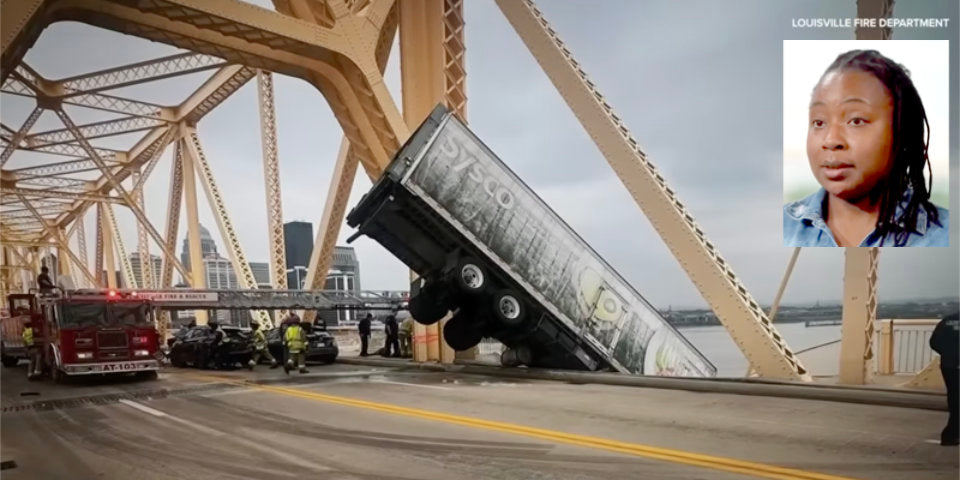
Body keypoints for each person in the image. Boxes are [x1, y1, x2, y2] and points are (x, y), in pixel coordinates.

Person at [783, 49, 948, 247]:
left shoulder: (943, 236)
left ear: (902, 132)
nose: (831, 140)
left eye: (856, 120)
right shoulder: (784, 228)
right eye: (819, 122)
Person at [930, 311, 959, 446]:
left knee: (954, 398)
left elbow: (934, 342)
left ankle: (952, 434)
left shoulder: (947, 320)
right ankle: (951, 434)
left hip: (948, 365)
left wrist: (948, 354)